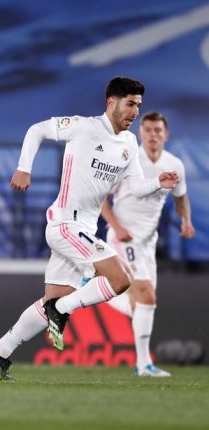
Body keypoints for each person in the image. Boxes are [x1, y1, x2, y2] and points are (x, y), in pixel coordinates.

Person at [0, 76, 180, 381]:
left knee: (50, 302)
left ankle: (0, 350)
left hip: (84, 229)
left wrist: (158, 183)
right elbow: (37, 129)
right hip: (65, 224)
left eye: (139, 105)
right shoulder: (83, 127)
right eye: (130, 104)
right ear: (111, 102)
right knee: (121, 278)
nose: (135, 112)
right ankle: (62, 311)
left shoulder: (129, 143)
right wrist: (24, 168)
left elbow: (135, 186)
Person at [102, 112, 194, 377]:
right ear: (140, 134)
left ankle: (143, 364)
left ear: (166, 134)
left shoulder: (174, 164)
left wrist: (186, 221)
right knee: (146, 296)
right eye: (148, 130)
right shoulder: (128, 160)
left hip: (147, 241)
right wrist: (118, 228)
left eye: (158, 130)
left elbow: (180, 197)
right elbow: (101, 199)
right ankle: (143, 364)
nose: (153, 135)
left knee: (143, 304)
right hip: (124, 237)